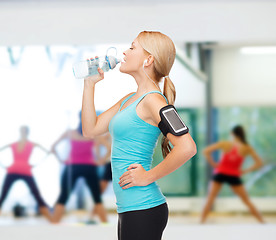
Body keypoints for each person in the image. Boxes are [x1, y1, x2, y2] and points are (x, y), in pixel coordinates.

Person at [81, 31, 197, 240]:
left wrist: (148, 176)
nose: (125, 52)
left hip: (144, 208)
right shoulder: (129, 99)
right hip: (129, 209)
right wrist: (89, 84)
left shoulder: (154, 101)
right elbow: (91, 129)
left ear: (149, 59)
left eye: (132, 47)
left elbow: (187, 147)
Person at [50, 112, 108, 223]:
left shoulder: (70, 133)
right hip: (89, 167)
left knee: (63, 196)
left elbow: (53, 147)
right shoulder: (93, 134)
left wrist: (61, 160)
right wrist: (100, 161)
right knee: (97, 198)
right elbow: (109, 148)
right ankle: (106, 226)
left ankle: (54, 225)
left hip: (72, 167)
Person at [200, 125, 265, 224]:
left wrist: (213, 163)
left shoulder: (226, 144)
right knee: (246, 200)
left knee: (210, 198)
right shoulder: (247, 148)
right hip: (233, 175)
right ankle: (262, 222)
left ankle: (201, 223)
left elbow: (206, 151)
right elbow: (259, 163)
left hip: (220, 173)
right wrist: (245, 171)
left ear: (233, 134)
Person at [0, 126, 51, 220]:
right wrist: (3, 165)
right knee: (3, 195)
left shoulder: (32, 144)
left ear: (27, 132)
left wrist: (36, 164)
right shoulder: (14, 144)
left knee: (36, 194)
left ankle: (50, 218)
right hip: (13, 170)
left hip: (25, 171)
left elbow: (48, 152)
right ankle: (50, 217)